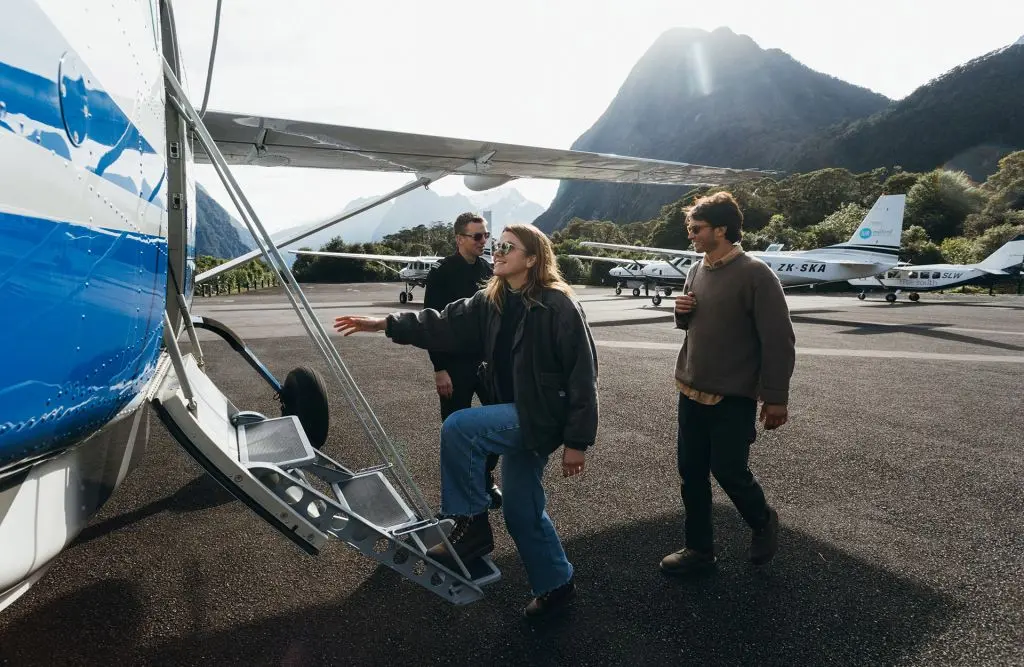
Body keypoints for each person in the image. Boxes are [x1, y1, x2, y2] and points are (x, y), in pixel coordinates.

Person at [334, 224, 598, 619]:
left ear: (531, 258)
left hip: (542, 415)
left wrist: (577, 440)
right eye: (496, 245)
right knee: (521, 511)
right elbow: (440, 323)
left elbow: (583, 372)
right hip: (515, 412)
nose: (497, 250)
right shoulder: (491, 298)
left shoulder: (558, 304)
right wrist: (384, 324)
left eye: (508, 246)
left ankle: (471, 525)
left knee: (460, 427)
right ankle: (557, 584)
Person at [660, 191, 795, 576]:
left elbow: (779, 340)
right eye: (690, 227)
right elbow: (694, 325)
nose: (691, 235)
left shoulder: (756, 274)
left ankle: (763, 521)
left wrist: (775, 398)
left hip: (732, 396)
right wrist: (680, 314)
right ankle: (699, 550)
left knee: (729, 470)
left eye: (697, 228)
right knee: (692, 474)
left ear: (722, 229)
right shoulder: (696, 269)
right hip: (689, 389)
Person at [422, 212, 501, 509]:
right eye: (477, 236)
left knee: (500, 418)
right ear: (459, 239)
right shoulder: (442, 272)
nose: (484, 241)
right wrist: (438, 368)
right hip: (453, 365)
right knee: (455, 429)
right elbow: (430, 322)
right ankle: (459, 499)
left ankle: (485, 476)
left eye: (485, 235)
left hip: (486, 363)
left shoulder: (489, 269)